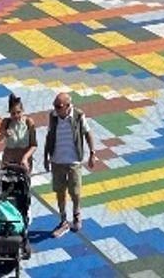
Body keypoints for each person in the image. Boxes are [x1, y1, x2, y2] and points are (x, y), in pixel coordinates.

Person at [44, 92, 97, 237]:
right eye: (54, 106)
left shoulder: (78, 116)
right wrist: (46, 156)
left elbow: (88, 133)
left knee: (75, 191)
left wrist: (92, 153)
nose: (56, 109)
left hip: (74, 161)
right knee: (60, 192)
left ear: (68, 106)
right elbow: (49, 136)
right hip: (57, 160)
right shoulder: (53, 116)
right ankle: (63, 221)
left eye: (59, 106)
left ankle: (76, 214)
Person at [0, 94, 37, 171]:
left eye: (18, 112)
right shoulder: (6, 122)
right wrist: (4, 133)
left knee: (22, 182)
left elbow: (34, 145)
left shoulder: (29, 122)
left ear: (22, 110)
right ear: (9, 113)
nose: (16, 116)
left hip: (23, 163)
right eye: (13, 113)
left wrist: (25, 158)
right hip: (8, 162)